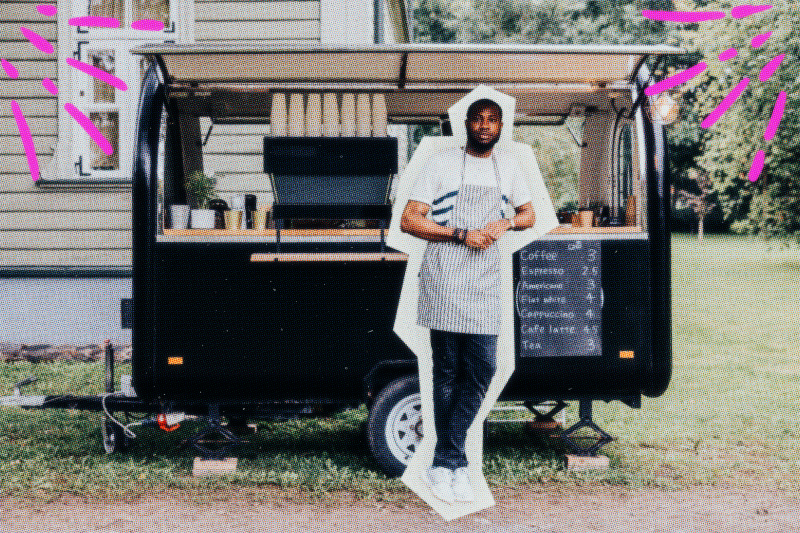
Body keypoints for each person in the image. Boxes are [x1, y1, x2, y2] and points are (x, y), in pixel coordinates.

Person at [400, 97, 536, 504]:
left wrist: (506, 221)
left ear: (500, 126)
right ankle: (449, 467)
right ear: (466, 123)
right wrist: (460, 233)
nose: (484, 125)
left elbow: (530, 214)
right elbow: (410, 219)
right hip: (444, 280)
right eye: (477, 118)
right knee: (446, 371)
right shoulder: (440, 164)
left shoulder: (508, 166)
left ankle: (446, 458)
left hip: (483, 284)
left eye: (491, 120)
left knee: (482, 369)